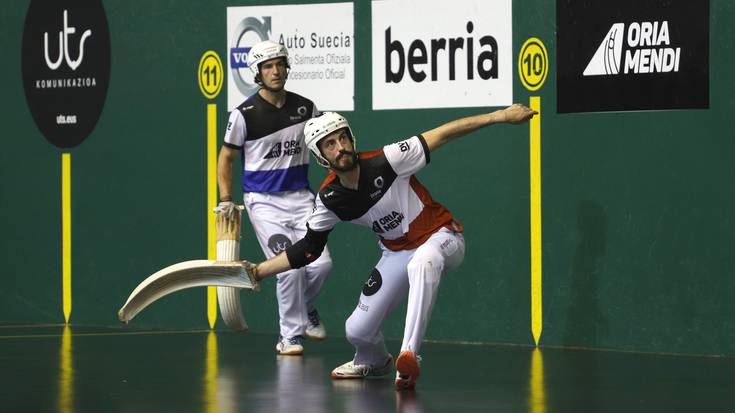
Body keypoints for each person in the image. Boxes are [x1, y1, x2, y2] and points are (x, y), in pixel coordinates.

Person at [241, 104, 537, 389]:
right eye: (329, 144)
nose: (340, 146)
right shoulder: (330, 199)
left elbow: (443, 133)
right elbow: (308, 248)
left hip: (443, 237)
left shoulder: (389, 159)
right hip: (396, 252)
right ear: (321, 157)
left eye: (343, 137)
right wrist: (258, 271)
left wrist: (500, 116)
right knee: (357, 330)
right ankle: (373, 359)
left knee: (423, 261)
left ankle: (409, 357)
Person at [215, 40, 332, 356]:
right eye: (268, 66)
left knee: (321, 265)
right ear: (257, 72)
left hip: (301, 198)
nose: (276, 71)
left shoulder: (306, 108)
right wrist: (226, 198)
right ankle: (289, 337)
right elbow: (225, 158)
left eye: (280, 64)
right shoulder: (244, 115)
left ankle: (306, 308)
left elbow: (326, 142)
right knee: (290, 267)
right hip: (263, 202)